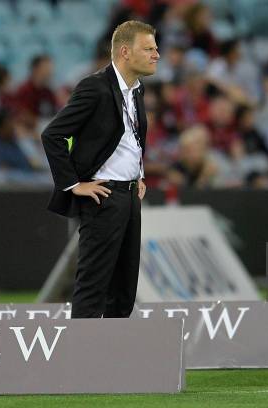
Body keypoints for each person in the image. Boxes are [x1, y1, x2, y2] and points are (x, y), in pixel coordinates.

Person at [42, 20, 159, 319]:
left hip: (130, 195)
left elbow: (129, 138)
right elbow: (53, 134)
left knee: (124, 288)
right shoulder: (94, 87)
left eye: (155, 48)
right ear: (124, 52)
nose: (156, 54)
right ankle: (82, 359)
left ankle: (113, 358)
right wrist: (73, 184)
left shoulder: (136, 90)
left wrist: (139, 173)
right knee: (94, 285)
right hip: (103, 196)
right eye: (148, 48)